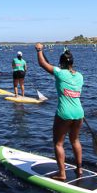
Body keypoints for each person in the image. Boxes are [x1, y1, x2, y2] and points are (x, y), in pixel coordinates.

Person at [35, 42, 84, 181]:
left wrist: (39, 50)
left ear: (61, 63)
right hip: (79, 112)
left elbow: (42, 64)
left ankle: (62, 174)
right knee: (75, 140)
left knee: (58, 143)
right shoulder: (80, 76)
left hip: (64, 113)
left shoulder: (59, 73)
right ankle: (79, 169)